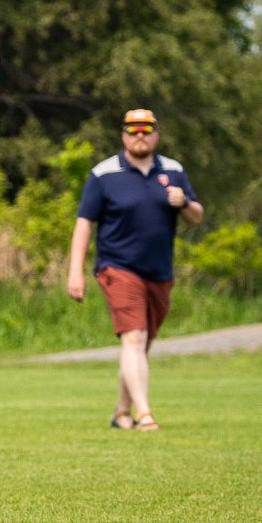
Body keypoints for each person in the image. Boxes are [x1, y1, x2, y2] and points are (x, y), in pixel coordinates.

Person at [66, 108, 204, 432]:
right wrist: (75, 271)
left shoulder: (173, 170)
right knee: (134, 337)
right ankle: (144, 414)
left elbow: (197, 216)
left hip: (159, 271)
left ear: (156, 133)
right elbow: (84, 223)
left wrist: (183, 202)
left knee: (140, 345)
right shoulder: (104, 174)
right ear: (122, 135)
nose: (139, 135)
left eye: (146, 129)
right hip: (117, 267)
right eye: (132, 130)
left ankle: (122, 411)